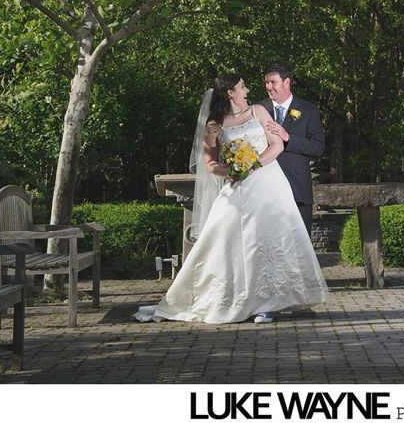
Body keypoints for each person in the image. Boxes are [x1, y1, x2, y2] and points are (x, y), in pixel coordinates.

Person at [133, 74, 327, 324]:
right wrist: (232, 171)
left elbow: (277, 145)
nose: (247, 89)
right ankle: (232, 297)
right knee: (226, 238)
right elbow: (211, 163)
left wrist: (253, 165)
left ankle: (268, 303)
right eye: (242, 86)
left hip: (269, 184)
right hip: (236, 186)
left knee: (270, 240)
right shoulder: (214, 126)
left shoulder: (259, 111)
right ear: (230, 93)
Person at [258, 62, 325, 233]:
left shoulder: (308, 110)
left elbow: (318, 148)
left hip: (297, 189)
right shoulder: (259, 109)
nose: (268, 87)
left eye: (273, 82)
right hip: (266, 190)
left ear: (286, 82)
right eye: (266, 82)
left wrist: (288, 138)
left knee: (300, 247)